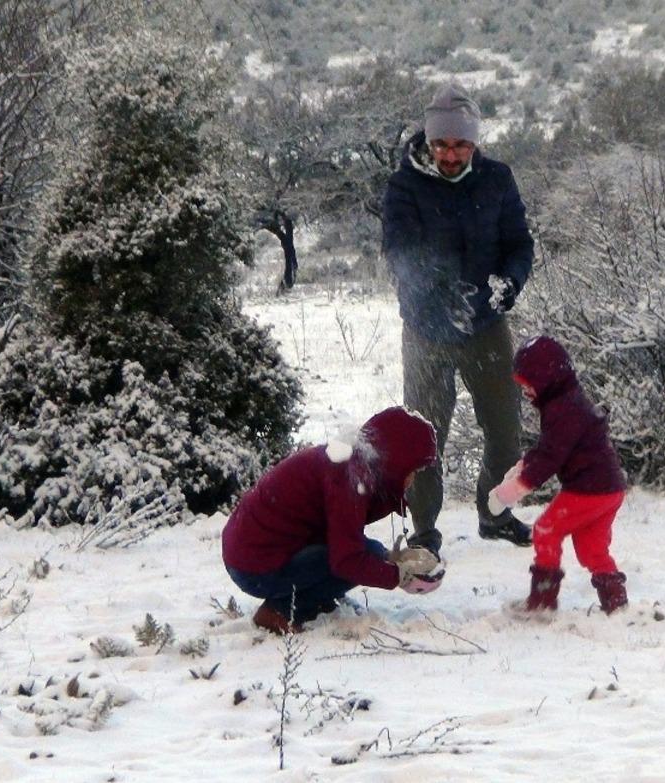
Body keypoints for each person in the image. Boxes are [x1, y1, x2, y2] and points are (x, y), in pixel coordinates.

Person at [381, 82, 534, 555]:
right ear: (429, 141)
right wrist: (438, 291)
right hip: (426, 328)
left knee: (505, 428)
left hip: (485, 324)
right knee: (424, 437)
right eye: (442, 144)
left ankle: (495, 513)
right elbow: (399, 250)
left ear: (474, 142)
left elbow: (519, 243)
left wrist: (509, 284)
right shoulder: (405, 185)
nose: (450, 155)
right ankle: (424, 528)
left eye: (460, 144)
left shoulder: (497, 179)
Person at [222, 407, 445, 634]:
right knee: (363, 556)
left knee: (373, 552)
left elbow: (339, 535)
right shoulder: (349, 479)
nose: (413, 478)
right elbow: (347, 560)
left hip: (252, 554)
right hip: (256, 567)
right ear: (397, 460)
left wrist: (391, 559)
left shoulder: (351, 464)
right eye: (413, 469)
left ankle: (321, 598)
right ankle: (279, 612)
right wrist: (400, 576)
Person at [488, 336, 629, 614]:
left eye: (528, 383)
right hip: (609, 489)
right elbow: (549, 446)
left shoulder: (565, 409)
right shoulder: (565, 402)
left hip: (589, 489)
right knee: (592, 549)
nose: (525, 390)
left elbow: (550, 456)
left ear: (546, 379)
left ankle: (542, 602)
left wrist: (515, 488)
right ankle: (616, 604)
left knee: (546, 530)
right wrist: (524, 465)